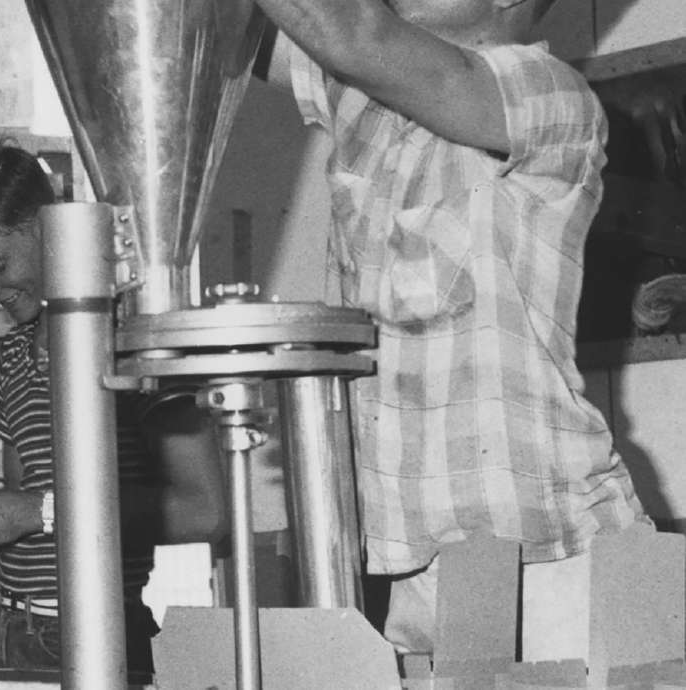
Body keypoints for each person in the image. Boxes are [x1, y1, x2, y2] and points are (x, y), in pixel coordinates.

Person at [254, 0, 648, 659]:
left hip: (554, 561)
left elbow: (353, 33)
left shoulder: (544, 88)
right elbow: (220, 38)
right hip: (417, 563)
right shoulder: (360, 92)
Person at [0, 141, 228, 676]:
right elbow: (23, 510)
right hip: (2, 631)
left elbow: (206, 511)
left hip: (98, 640)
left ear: (49, 226)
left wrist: (36, 511)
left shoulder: (135, 341)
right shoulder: (13, 351)